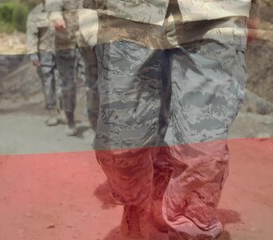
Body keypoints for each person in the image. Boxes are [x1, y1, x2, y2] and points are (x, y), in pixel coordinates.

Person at [83, 0, 254, 239]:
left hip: (215, 15)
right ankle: (141, 202)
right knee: (121, 148)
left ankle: (189, 224)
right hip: (128, 13)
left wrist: (254, 9)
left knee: (203, 149)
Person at [47, 0, 99, 133]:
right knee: (68, 84)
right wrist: (56, 15)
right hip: (65, 41)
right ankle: (70, 120)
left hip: (87, 42)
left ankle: (94, 121)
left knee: (93, 84)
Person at [26, 1, 60, 126]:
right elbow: (31, 35)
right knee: (48, 83)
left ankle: (64, 111)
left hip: (63, 53)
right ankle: (52, 113)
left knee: (65, 83)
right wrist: (33, 54)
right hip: (45, 53)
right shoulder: (35, 13)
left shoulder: (63, 10)